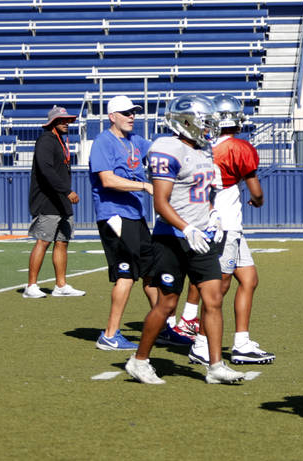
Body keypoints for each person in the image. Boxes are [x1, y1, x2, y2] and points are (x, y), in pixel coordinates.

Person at [124, 94, 244, 385]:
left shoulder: (204, 150)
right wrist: (187, 227)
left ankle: (215, 365)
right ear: (186, 122)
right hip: (172, 237)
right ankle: (139, 361)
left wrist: (213, 213)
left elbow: (207, 193)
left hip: (202, 236)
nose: (209, 127)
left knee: (213, 299)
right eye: (205, 122)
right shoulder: (167, 148)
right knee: (166, 304)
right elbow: (161, 203)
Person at [182, 94, 274, 366]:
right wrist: (256, 200)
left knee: (249, 279)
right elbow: (256, 193)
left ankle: (242, 342)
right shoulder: (237, 147)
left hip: (224, 223)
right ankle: (201, 344)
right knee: (218, 287)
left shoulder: (205, 145)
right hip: (224, 226)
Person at [88, 95, 159, 351]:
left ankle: (162, 325)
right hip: (114, 215)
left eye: (134, 112)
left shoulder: (136, 141)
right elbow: (107, 180)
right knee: (126, 274)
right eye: (126, 112)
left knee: (152, 271)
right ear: (112, 116)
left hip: (135, 215)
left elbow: (160, 150)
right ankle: (110, 334)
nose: (132, 116)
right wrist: (144, 185)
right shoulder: (102, 142)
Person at [24, 106, 85, 299]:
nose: (66, 123)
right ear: (52, 123)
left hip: (61, 201)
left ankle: (61, 285)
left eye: (67, 120)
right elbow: (45, 169)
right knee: (43, 241)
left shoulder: (60, 141)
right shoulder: (45, 140)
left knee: (62, 242)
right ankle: (31, 286)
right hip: (48, 200)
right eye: (61, 120)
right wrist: (66, 190)